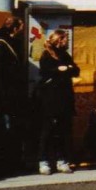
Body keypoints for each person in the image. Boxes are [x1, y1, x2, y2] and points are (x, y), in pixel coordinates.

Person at [0, 17, 26, 176]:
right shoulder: (2, 45)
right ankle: (5, 164)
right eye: (20, 27)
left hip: (8, 96)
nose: (22, 31)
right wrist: (4, 95)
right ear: (14, 29)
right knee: (6, 130)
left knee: (9, 129)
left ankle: (9, 163)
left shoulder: (5, 43)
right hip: (5, 97)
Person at [37, 28, 79, 175]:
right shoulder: (46, 55)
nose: (68, 41)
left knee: (63, 131)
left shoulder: (65, 55)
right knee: (47, 130)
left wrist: (64, 68)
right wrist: (61, 69)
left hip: (65, 98)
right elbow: (45, 71)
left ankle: (62, 160)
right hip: (50, 99)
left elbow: (76, 70)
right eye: (66, 38)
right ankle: (43, 161)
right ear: (59, 40)